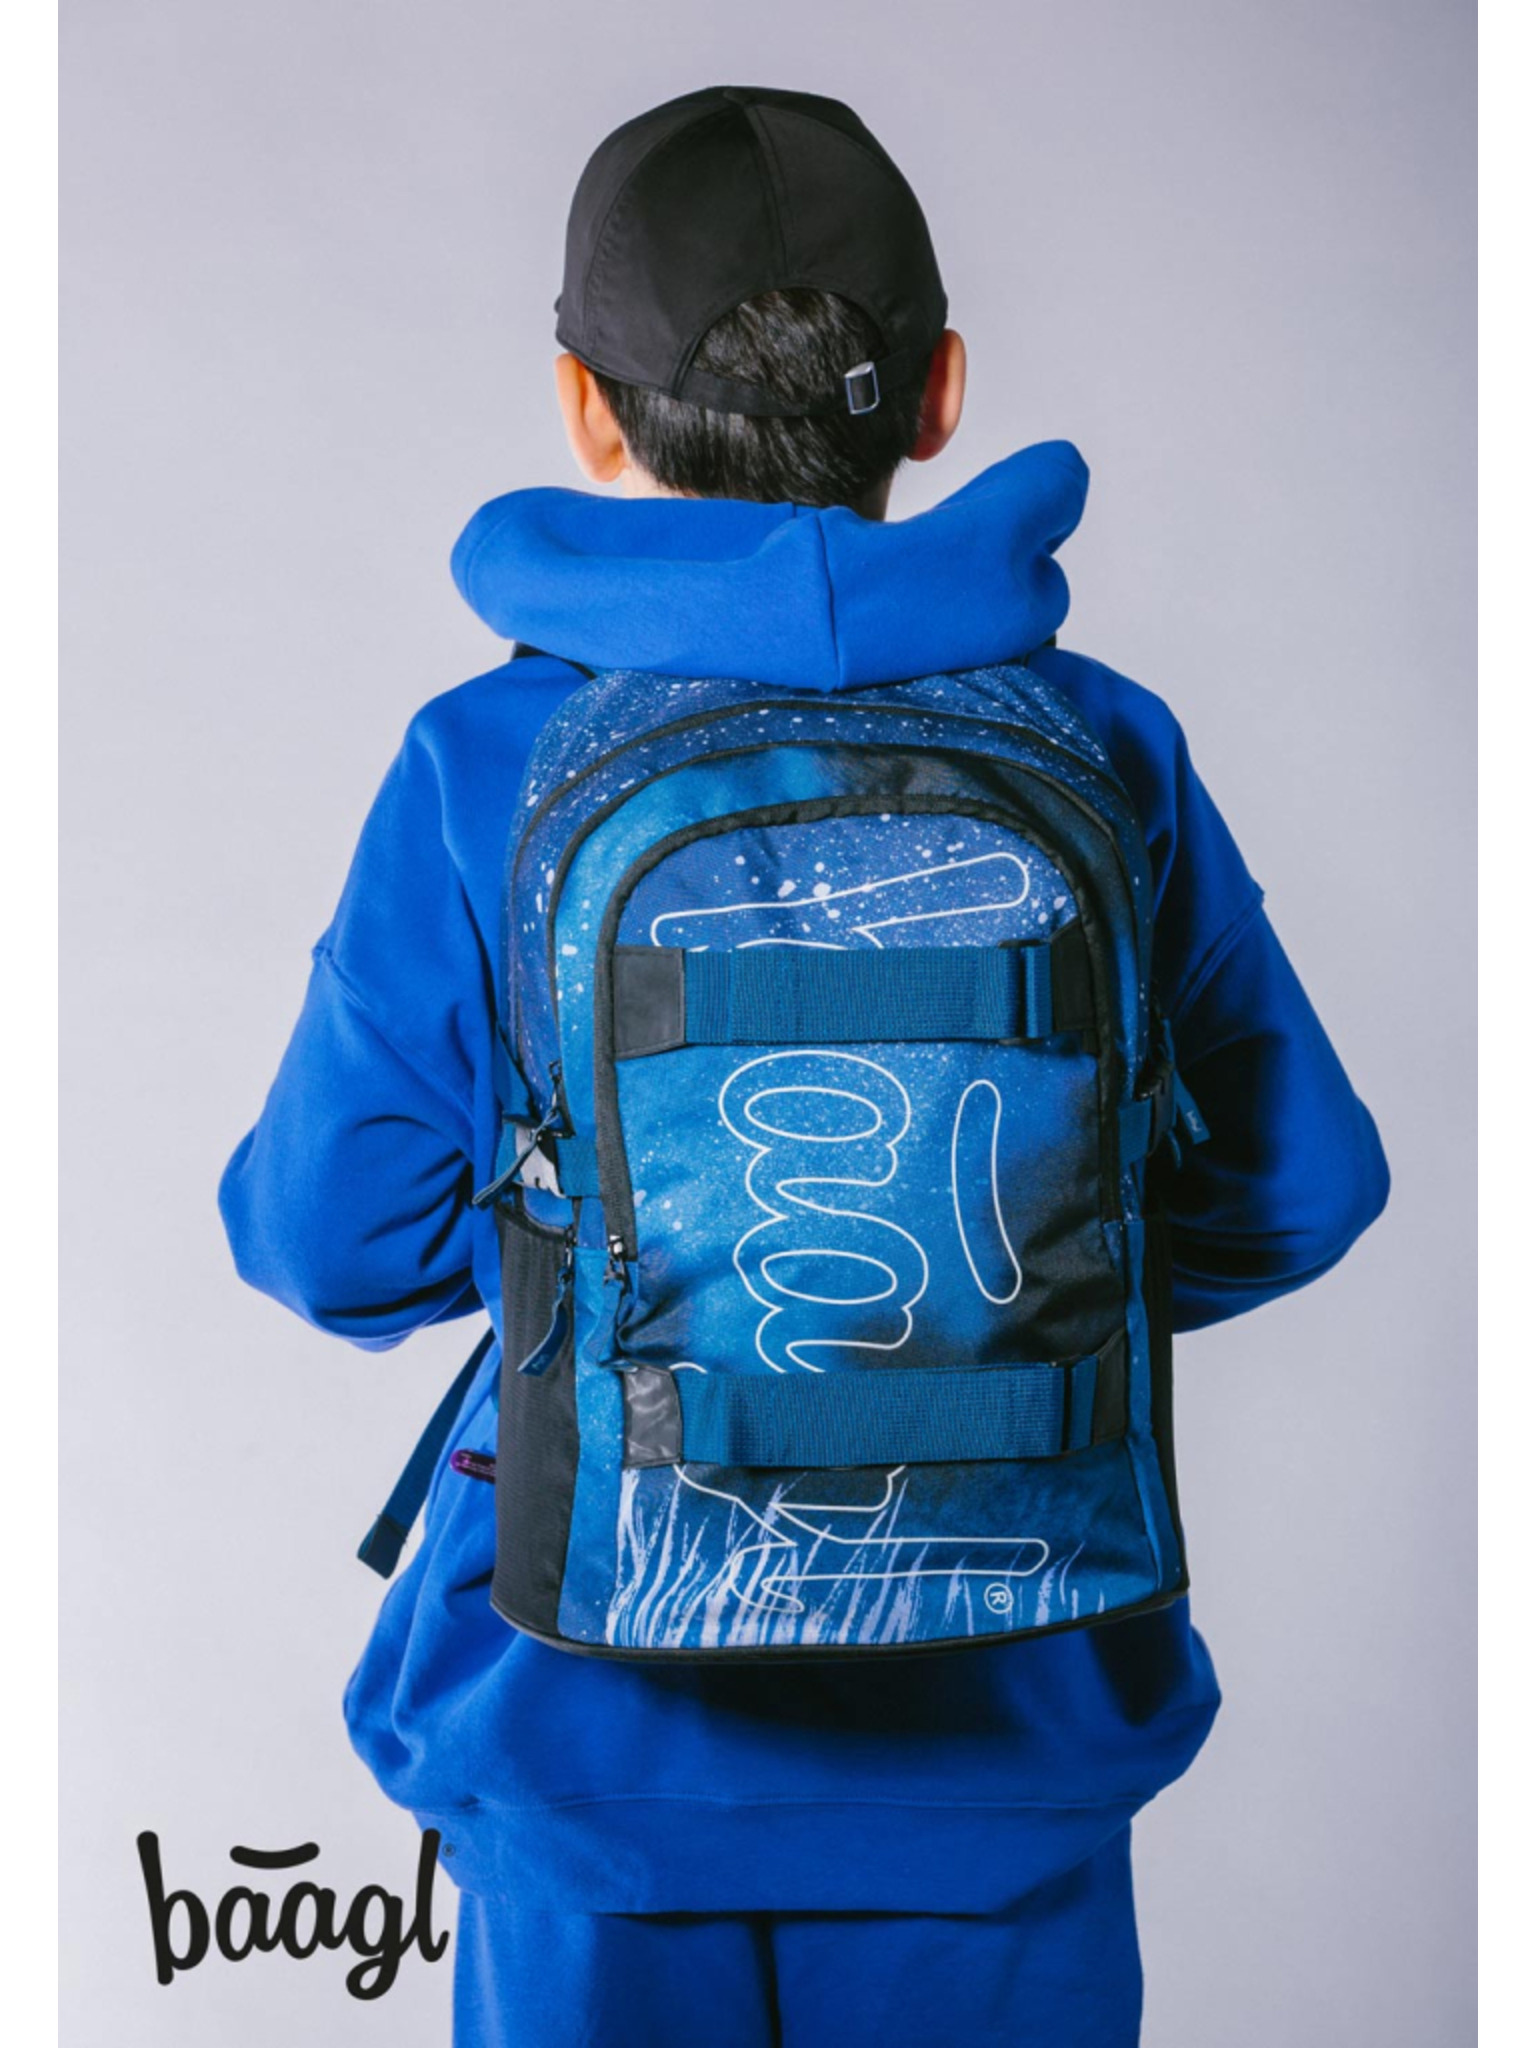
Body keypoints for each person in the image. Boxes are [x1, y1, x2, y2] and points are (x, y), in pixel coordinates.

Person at [219, 85, 1389, 2048]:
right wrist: (995, 1288)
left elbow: (332, 1241)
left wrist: (626, 1259)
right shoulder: (1103, 742)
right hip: (1010, 1713)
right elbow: (1305, 1184)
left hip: (585, 1721)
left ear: (587, 411)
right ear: (938, 395)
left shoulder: (483, 761)